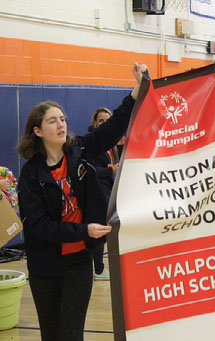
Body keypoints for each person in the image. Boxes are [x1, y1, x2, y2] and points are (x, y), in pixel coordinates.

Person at [16, 62, 146, 340]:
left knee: (72, 333)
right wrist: (83, 230)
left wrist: (136, 90)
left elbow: (111, 129)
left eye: (62, 118)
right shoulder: (30, 174)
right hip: (44, 265)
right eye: (52, 120)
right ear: (38, 131)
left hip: (78, 262)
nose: (61, 124)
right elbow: (40, 225)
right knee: (52, 334)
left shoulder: (79, 152)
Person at [86, 107, 121, 281]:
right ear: (95, 122)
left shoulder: (110, 142)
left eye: (108, 121)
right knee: (102, 229)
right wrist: (109, 169)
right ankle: (98, 269)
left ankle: (98, 267)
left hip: (107, 189)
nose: (104, 124)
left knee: (106, 230)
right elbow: (90, 169)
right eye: (101, 121)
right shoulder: (92, 143)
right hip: (98, 191)